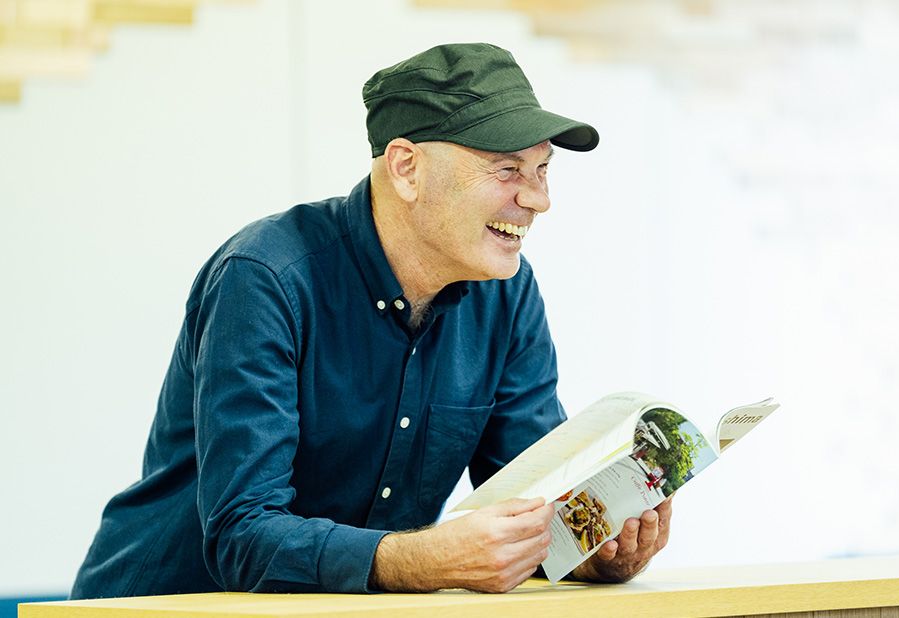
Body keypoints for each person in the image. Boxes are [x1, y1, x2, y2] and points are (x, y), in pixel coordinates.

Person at [70, 42, 673, 598]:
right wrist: (424, 559)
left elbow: (532, 505)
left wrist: (594, 552)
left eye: (542, 170)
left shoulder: (507, 297)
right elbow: (242, 537)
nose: (539, 200)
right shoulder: (265, 277)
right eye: (508, 170)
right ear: (406, 167)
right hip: (161, 606)